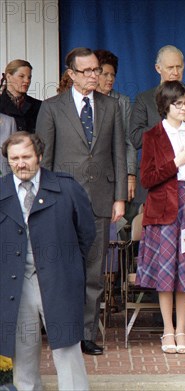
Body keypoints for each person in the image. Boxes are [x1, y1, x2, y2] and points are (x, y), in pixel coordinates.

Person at [36, 47, 128, 356]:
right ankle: (63, 332)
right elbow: (44, 160)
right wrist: (43, 201)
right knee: (61, 270)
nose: (95, 76)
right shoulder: (51, 108)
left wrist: (119, 199)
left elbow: (118, 152)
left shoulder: (111, 107)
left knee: (93, 272)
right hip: (61, 200)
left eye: (97, 70)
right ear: (71, 74)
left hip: (101, 200)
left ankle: (87, 334)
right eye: (87, 71)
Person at [0, 132, 96, 390]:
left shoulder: (66, 187)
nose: (21, 163)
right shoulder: (1, 192)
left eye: (26, 157)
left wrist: (70, 266)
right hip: (16, 286)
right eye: (15, 158)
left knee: (67, 351)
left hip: (59, 279)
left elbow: (87, 233)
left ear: (39, 157)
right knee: (24, 355)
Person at [135, 80, 185, 354]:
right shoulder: (152, 136)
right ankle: (167, 330)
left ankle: (182, 330)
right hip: (163, 209)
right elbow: (146, 179)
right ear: (165, 106)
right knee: (167, 271)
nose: (183, 108)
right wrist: (175, 163)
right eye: (178, 103)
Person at [130, 45, 185, 150]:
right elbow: (136, 139)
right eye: (170, 68)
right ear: (158, 68)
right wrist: (171, 122)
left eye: (179, 67)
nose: (175, 72)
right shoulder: (144, 99)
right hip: (156, 165)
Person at [94, 49, 138, 203]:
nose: (110, 79)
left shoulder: (122, 101)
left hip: (114, 172)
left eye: (113, 75)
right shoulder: (85, 100)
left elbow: (129, 140)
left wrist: (130, 174)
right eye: (105, 74)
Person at [0, 60, 42, 133]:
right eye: (21, 76)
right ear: (8, 77)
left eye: (29, 77)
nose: (27, 81)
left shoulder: (39, 106)